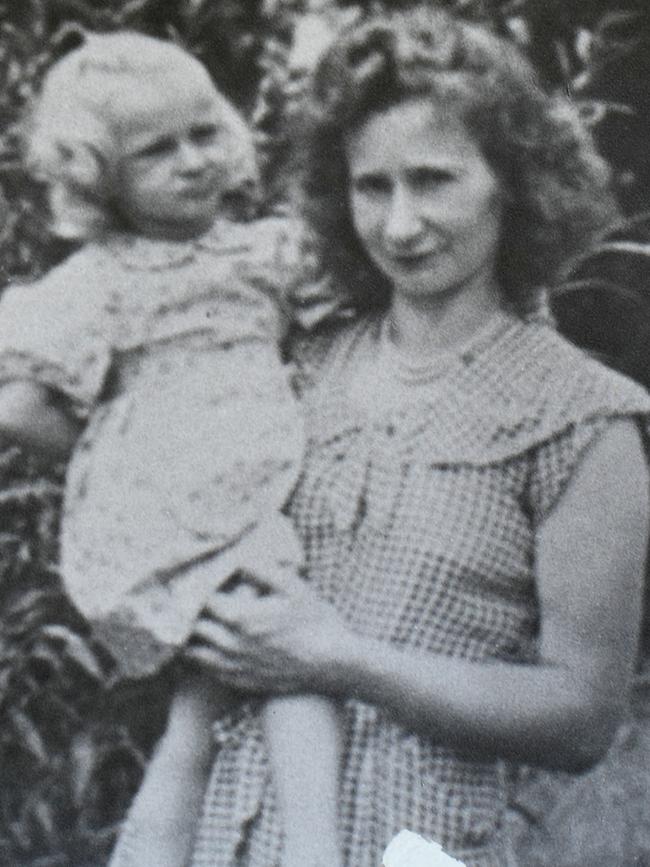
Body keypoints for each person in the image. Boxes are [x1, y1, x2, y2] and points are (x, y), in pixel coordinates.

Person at [184, 6, 650, 867]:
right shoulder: (293, 367)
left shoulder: (584, 420)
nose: (400, 224)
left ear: (510, 180)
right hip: (228, 834)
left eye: (434, 180)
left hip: (421, 842)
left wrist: (343, 659)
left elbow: (584, 717)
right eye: (373, 186)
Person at [0, 32, 343, 867]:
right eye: (157, 151)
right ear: (100, 177)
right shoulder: (104, 279)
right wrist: (124, 449)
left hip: (248, 493)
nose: (193, 161)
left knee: (198, 716)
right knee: (298, 657)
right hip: (184, 508)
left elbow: (336, 332)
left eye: (204, 132)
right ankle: (316, 849)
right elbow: (16, 407)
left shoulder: (263, 248)